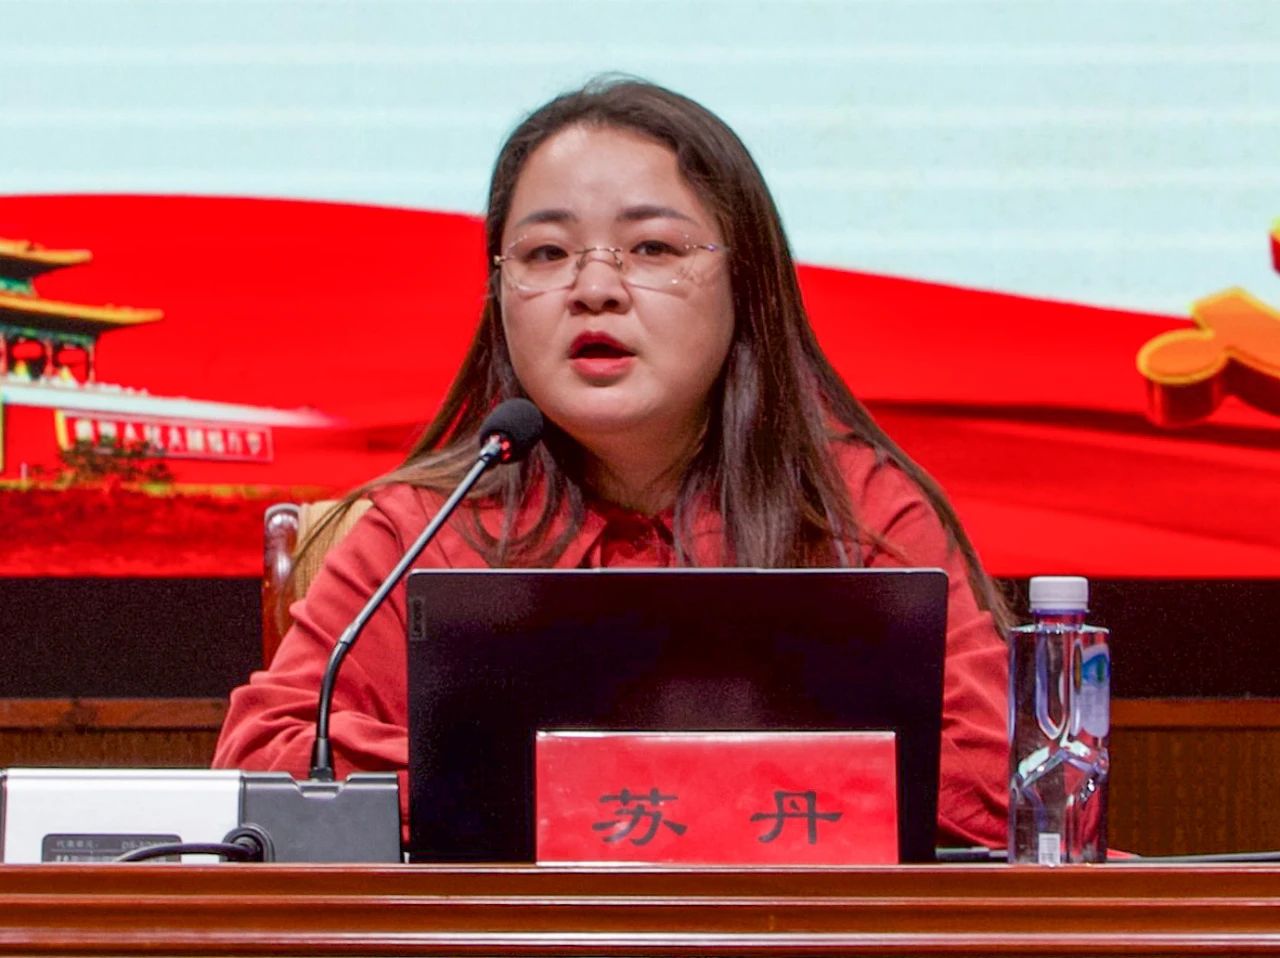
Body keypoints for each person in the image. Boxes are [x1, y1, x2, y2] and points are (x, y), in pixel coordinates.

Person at [213, 76, 1011, 849]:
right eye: (546, 252)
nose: (595, 288)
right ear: (499, 292)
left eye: (652, 247)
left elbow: (992, 783)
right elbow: (267, 756)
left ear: (747, 283)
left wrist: (534, 783)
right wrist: (637, 787)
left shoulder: (846, 512)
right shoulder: (429, 528)